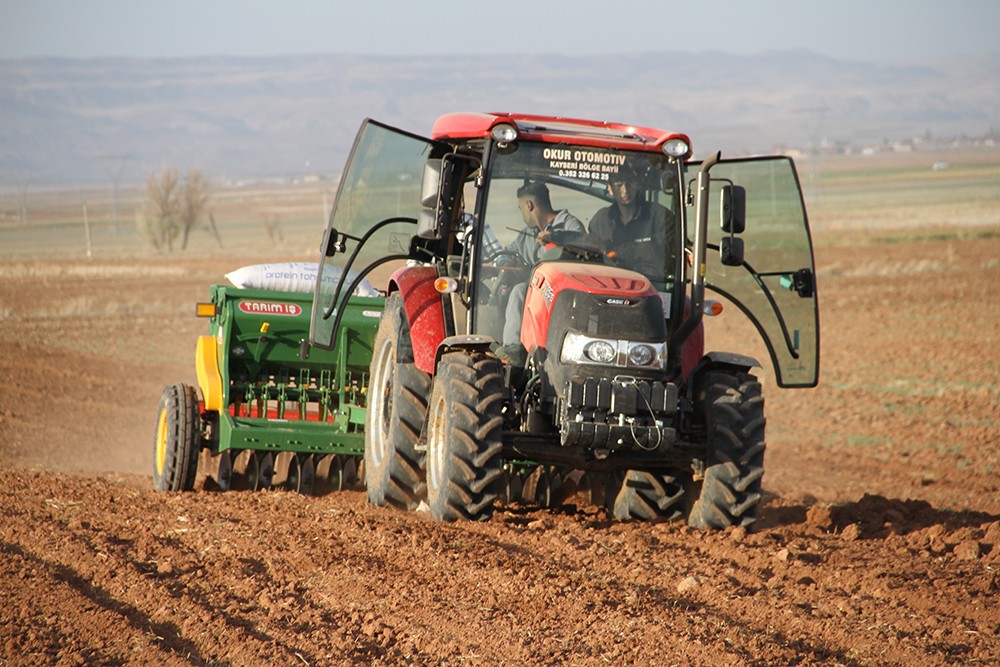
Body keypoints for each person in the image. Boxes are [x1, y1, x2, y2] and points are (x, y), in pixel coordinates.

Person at [499, 181, 584, 361]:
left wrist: (555, 238)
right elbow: (507, 252)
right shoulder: (527, 235)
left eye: (520, 208)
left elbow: (582, 244)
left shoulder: (569, 224)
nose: (521, 214)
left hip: (564, 293)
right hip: (537, 292)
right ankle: (518, 351)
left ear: (529, 205)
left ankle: (512, 349)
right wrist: (506, 262)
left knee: (519, 292)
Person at [588, 163, 677, 282]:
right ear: (610, 188)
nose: (625, 191)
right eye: (619, 185)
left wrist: (617, 253)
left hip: (653, 286)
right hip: (609, 288)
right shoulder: (600, 221)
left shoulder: (661, 216)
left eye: (630, 183)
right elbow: (592, 262)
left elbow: (670, 256)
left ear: (638, 184)